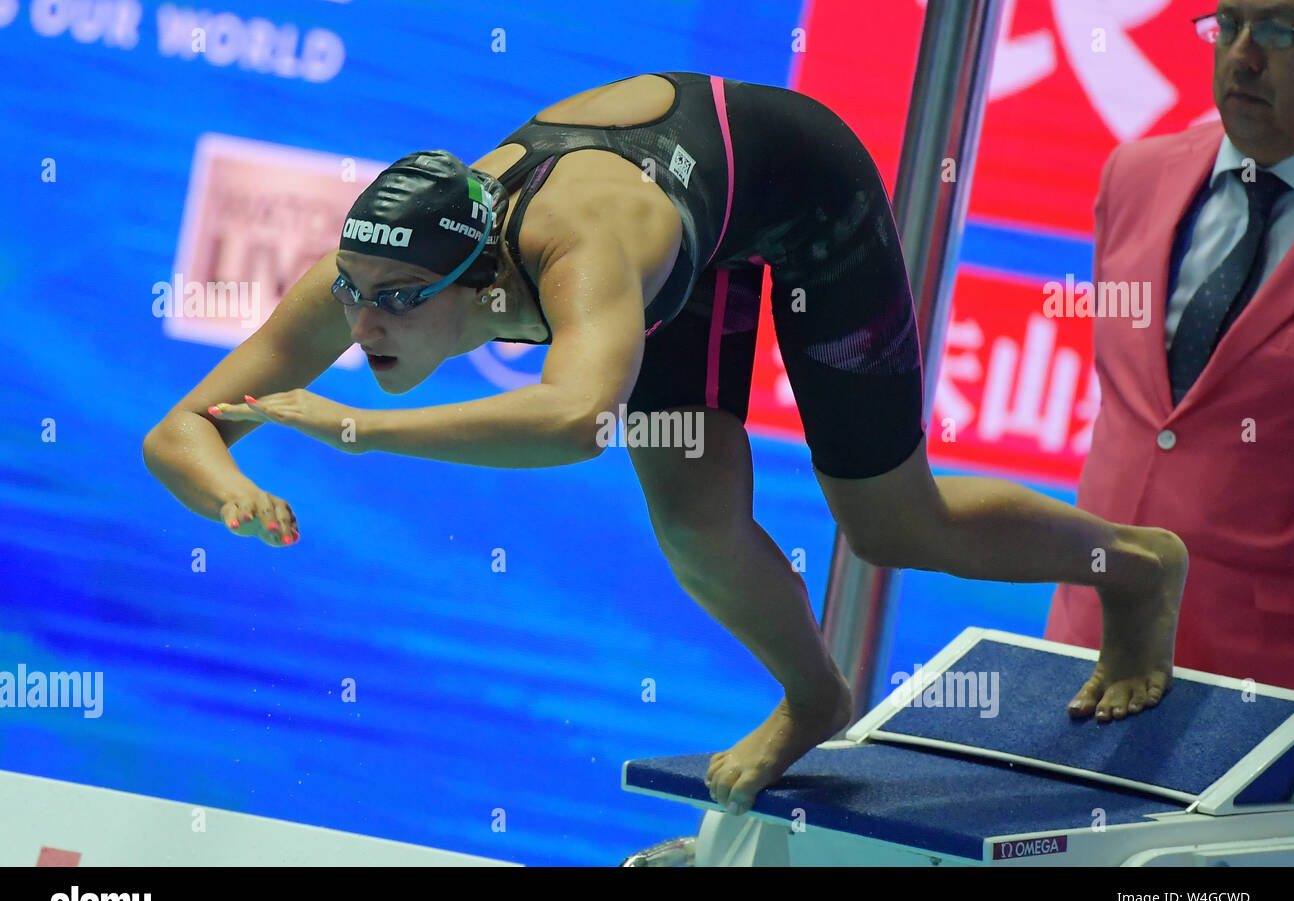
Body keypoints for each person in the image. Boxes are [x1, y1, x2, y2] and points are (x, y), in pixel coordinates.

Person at [144, 71, 1188, 818]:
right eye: (354, 299)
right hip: (678, 234)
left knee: (888, 524)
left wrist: (360, 429)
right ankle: (815, 695)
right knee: (693, 524)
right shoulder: (379, 270)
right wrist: (231, 488)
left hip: (794, 188)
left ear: (481, 289)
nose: (363, 329)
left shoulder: (574, 255)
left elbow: (573, 421)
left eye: (398, 307)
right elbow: (177, 431)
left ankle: (1136, 569)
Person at [1045, 3, 1294, 690]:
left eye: (1279, 30)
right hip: (1084, 636)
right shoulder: (1134, 175)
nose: (1243, 56)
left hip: (1263, 674)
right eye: (1230, 23)